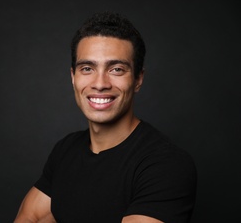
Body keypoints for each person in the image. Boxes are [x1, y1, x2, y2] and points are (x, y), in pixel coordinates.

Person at [14, 12, 197, 223]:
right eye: (87, 68)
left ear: (138, 79)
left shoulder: (166, 165)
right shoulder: (66, 150)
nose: (100, 83)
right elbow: (31, 217)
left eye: (117, 69)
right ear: (73, 77)